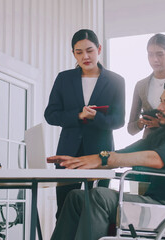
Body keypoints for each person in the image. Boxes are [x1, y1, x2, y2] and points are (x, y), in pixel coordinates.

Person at [47, 78, 165, 240]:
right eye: (161, 101)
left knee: (99, 197)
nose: (160, 107)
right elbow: (124, 153)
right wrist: (80, 162)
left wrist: (104, 159)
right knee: (76, 197)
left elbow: (157, 158)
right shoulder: (164, 132)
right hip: (152, 203)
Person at [44, 29, 125, 220]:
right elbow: (51, 115)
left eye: (89, 50)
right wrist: (78, 115)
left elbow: (118, 120)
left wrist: (95, 116)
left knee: (97, 212)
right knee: (64, 211)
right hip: (68, 154)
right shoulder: (64, 79)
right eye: (79, 52)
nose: (85, 56)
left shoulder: (116, 81)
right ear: (73, 53)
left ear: (99, 49)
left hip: (100, 155)